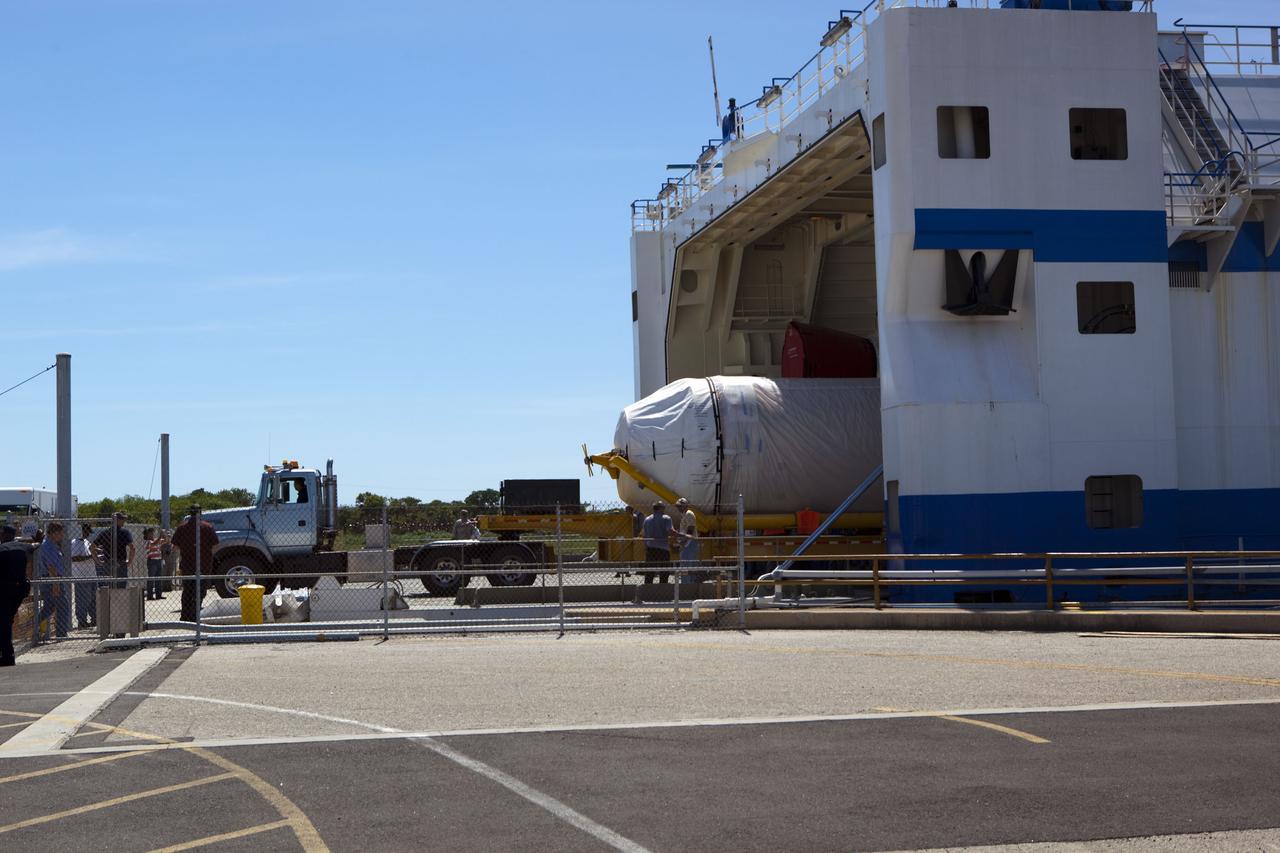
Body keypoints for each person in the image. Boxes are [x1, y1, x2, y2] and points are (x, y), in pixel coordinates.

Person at [171, 505, 218, 623]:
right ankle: (195, 615)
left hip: (187, 564)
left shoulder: (182, 528)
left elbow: (175, 547)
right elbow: (216, 545)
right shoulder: (207, 527)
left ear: (189, 513)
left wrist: (185, 550)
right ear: (200, 513)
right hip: (204, 564)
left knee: (187, 590)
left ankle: (185, 616)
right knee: (200, 590)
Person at [0, 526, 32, 666]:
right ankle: (7, 654)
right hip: (20, 588)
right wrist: (38, 538)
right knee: (7, 619)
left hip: (4, 589)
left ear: (3, 535)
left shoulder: (2, 549)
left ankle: (8, 656)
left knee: (4, 622)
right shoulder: (23, 547)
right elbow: (35, 545)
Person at [33, 522, 71, 639]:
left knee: (49, 607)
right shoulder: (48, 546)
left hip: (50, 579)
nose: (62, 535)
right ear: (54, 533)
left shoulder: (51, 545)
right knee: (63, 606)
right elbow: (51, 567)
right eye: (61, 533)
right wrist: (56, 585)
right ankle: (61, 634)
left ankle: (35, 626)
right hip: (51, 579)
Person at [92, 512, 135, 590]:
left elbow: (92, 547)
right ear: (117, 520)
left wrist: (98, 561)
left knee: (109, 588)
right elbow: (132, 548)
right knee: (121, 589)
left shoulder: (105, 533)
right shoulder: (125, 532)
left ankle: (110, 602)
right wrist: (129, 561)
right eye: (122, 519)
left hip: (108, 563)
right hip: (120, 563)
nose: (124, 521)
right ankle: (118, 602)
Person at [69, 523, 97, 628]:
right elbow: (74, 558)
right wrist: (91, 556)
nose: (88, 534)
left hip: (91, 575)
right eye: (86, 532)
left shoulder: (86, 542)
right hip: (81, 576)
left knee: (92, 599)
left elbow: (90, 552)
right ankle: (82, 621)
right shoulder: (74, 542)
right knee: (82, 600)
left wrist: (97, 552)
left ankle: (94, 619)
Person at [641, 501, 674, 585]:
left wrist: (645, 547)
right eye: (663, 507)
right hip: (663, 548)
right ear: (660, 508)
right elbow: (670, 531)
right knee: (664, 570)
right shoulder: (666, 518)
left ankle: (648, 588)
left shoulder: (647, 519)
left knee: (649, 571)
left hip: (650, 548)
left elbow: (644, 536)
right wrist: (681, 535)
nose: (664, 508)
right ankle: (663, 587)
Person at [675, 498, 700, 580]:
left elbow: (690, 529)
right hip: (687, 543)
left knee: (687, 566)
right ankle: (688, 584)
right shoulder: (685, 515)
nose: (678, 508)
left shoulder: (689, 514)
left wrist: (683, 542)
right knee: (686, 566)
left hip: (689, 543)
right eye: (678, 506)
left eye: (680, 506)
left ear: (685, 506)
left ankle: (687, 586)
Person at [143, 527, 167, 601]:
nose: (152, 534)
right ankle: (150, 595)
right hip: (152, 561)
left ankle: (158, 594)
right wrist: (160, 536)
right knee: (151, 578)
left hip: (158, 560)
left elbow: (165, 541)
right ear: (147, 535)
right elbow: (153, 544)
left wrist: (164, 534)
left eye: (152, 533)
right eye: (150, 533)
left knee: (158, 578)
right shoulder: (147, 541)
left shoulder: (156, 540)